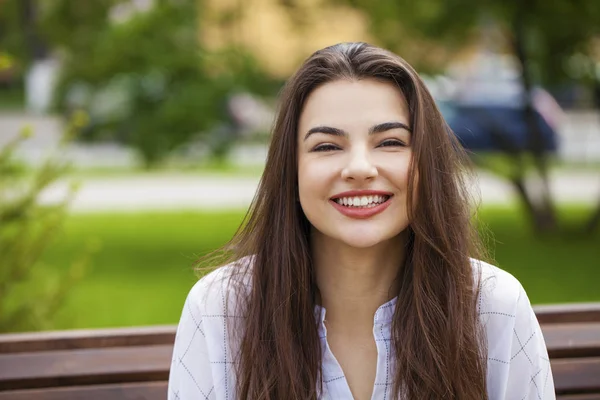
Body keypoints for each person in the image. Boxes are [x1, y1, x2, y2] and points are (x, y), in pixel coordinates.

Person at [168, 42, 555, 400]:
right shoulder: (220, 309)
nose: (358, 168)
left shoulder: (493, 308)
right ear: (291, 169)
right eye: (327, 146)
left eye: (389, 142)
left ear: (426, 163)